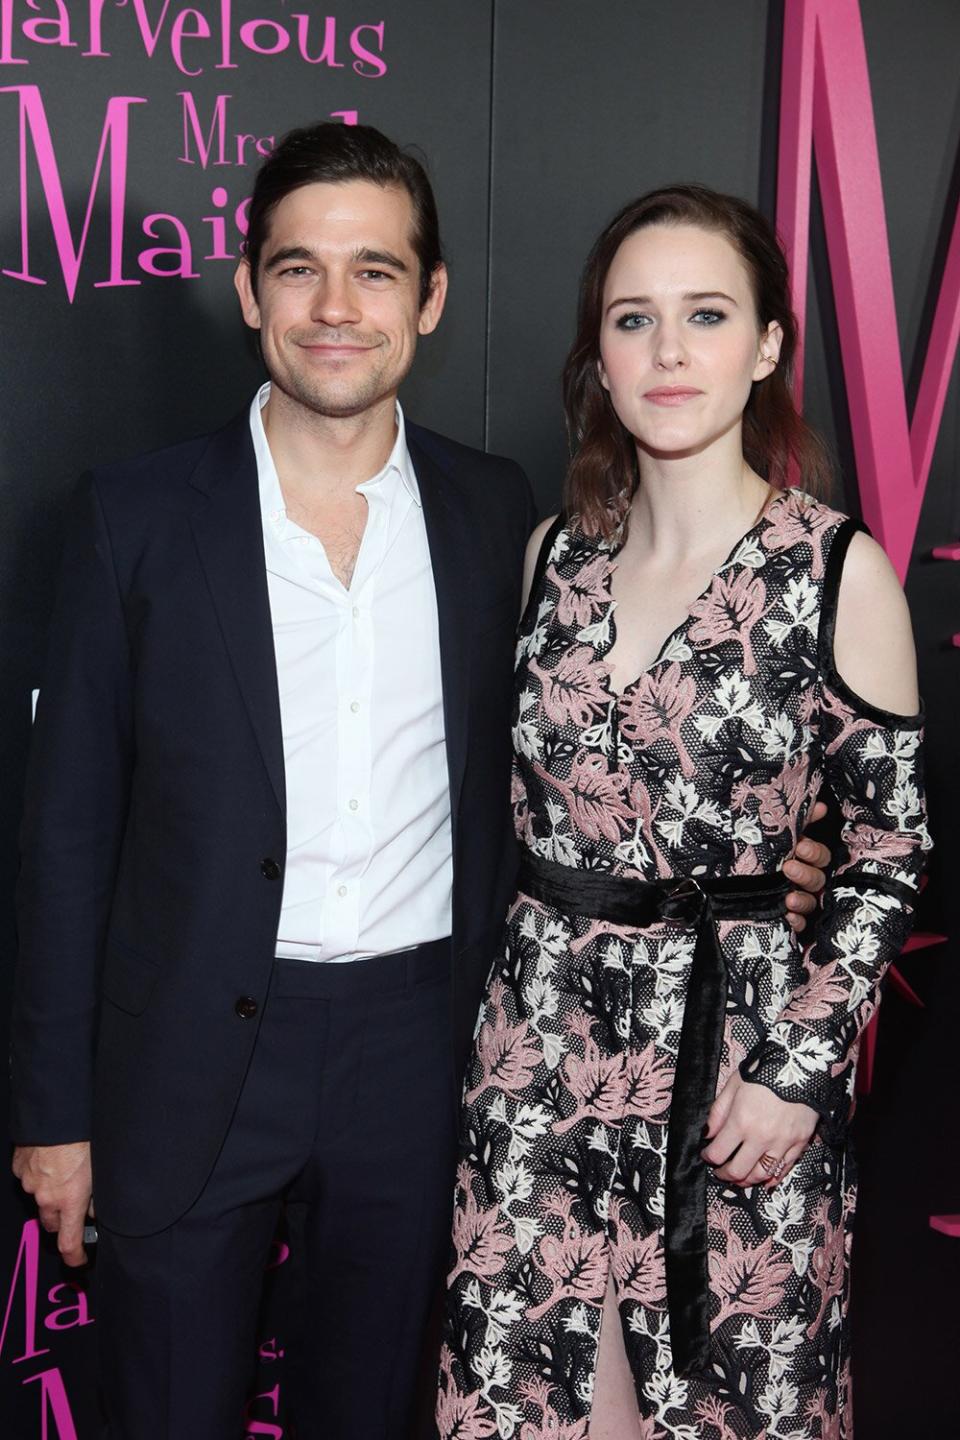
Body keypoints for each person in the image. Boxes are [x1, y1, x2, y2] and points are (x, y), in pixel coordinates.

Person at [9, 126, 828, 1440]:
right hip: (182, 1054)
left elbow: (599, 751)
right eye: (299, 271)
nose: (337, 310)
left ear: (431, 297)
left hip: (424, 1052)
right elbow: (65, 834)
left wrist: (758, 857)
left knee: (377, 1412)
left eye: (376, 272)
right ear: (248, 289)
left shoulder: (501, 517)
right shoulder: (133, 517)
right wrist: (52, 1112)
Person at [438, 185, 930, 1440]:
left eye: (705, 315)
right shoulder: (554, 558)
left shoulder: (834, 570)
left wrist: (798, 1074)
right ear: (595, 360)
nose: (667, 352)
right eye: (633, 319)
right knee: (524, 1405)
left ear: (766, 346)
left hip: (735, 1079)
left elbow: (886, 848)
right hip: (538, 1057)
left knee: (724, 1405)